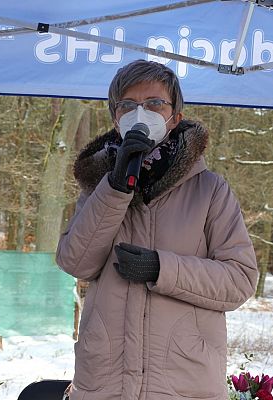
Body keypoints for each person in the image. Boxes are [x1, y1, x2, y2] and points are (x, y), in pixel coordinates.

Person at [56, 59, 258, 400]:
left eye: (154, 104)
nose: (141, 112)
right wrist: (115, 189)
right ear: (116, 118)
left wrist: (162, 268)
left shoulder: (209, 190)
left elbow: (239, 280)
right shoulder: (97, 187)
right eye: (129, 105)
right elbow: (76, 263)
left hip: (183, 385)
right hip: (105, 384)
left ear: (175, 117)